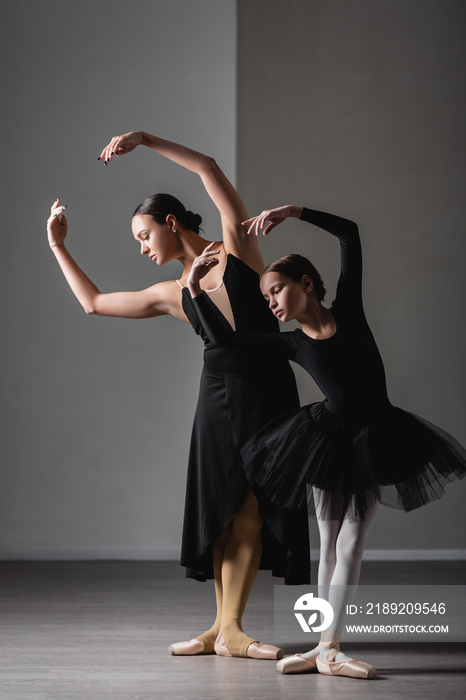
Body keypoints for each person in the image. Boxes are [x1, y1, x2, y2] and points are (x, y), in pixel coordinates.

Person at [46, 133, 310, 660]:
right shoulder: (171, 293)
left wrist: (143, 140)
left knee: (254, 505)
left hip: (269, 392)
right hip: (216, 398)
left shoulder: (239, 247)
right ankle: (221, 628)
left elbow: (208, 168)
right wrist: (57, 245)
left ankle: (231, 629)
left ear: (172, 222)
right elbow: (94, 303)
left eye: (144, 236)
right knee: (221, 505)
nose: (142, 249)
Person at [186, 204, 466, 678]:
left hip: (376, 435)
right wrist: (193, 289)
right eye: (267, 296)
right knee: (329, 544)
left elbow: (350, 234)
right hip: (327, 439)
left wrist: (294, 212)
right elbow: (227, 342)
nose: (272, 303)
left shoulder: (350, 310)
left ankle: (330, 649)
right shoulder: (293, 343)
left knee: (352, 542)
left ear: (307, 283)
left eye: (277, 290)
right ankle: (324, 648)